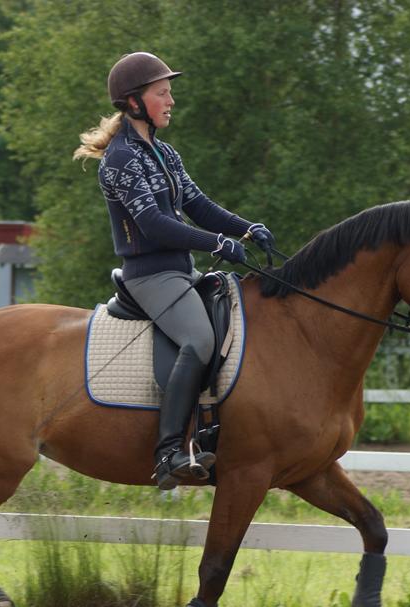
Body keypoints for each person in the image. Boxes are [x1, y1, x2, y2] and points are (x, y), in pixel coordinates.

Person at [74, 52, 275, 490]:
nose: (171, 100)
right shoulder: (121, 159)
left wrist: (246, 229)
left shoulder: (164, 153)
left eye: (169, 92)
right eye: (161, 93)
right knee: (199, 339)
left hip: (181, 272)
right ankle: (167, 453)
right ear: (133, 102)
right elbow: (155, 226)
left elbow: (198, 207)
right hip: (150, 275)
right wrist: (218, 244)